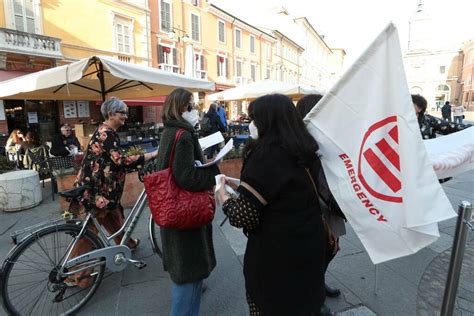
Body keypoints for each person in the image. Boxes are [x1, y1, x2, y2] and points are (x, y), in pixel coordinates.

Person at [218, 94, 327, 316]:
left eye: (255, 119)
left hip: (277, 257)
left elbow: (243, 216)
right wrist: (242, 184)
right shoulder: (303, 149)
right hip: (309, 247)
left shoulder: (266, 154)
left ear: (267, 121)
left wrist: (222, 195)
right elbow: (283, 190)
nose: (252, 124)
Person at [69, 97, 158, 286]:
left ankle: (127, 243)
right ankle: (76, 274)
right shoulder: (106, 133)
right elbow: (120, 161)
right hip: (97, 191)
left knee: (114, 216)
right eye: (122, 113)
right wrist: (150, 155)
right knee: (90, 233)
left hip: (103, 190)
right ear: (110, 114)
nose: (125, 116)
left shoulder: (106, 132)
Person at [153, 88, 219, 316]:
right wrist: (213, 173)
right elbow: (186, 177)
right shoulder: (184, 135)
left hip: (173, 209)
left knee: (185, 274)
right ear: (182, 108)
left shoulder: (170, 131)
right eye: (192, 105)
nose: (196, 110)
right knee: (188, 277)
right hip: (186, 214)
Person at [296, 94, 347, 315]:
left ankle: (319, 283)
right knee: (316, 253)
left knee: (331, 248)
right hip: (315, 205)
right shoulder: (299, 139)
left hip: (333, 202)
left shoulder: (328, 133)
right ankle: (313, 298)